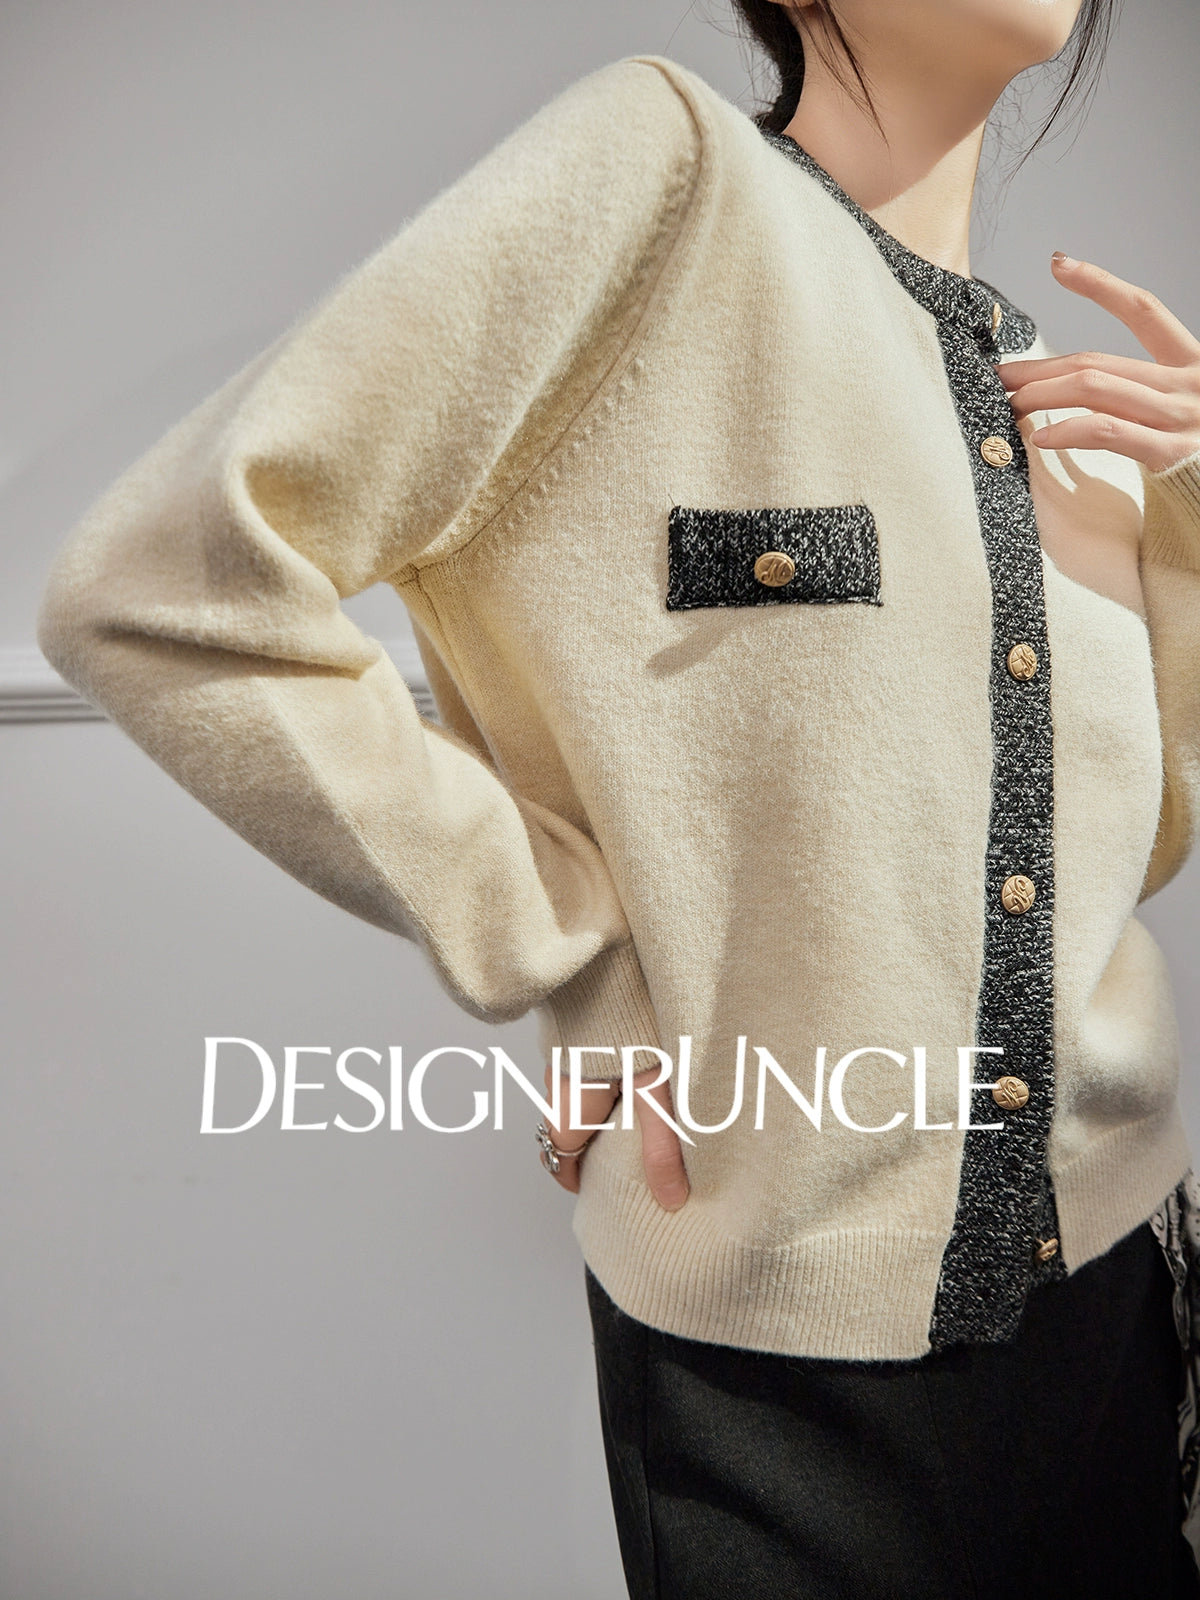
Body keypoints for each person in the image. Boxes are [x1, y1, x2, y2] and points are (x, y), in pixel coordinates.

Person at [36, 0, 1200, 1593]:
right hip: (787, 1362)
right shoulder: (664, 170)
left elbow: (1141, 848)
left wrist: (1190, 531)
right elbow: (164, 592)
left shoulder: (1060, 402)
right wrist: (573, 952)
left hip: (1127, 1285)